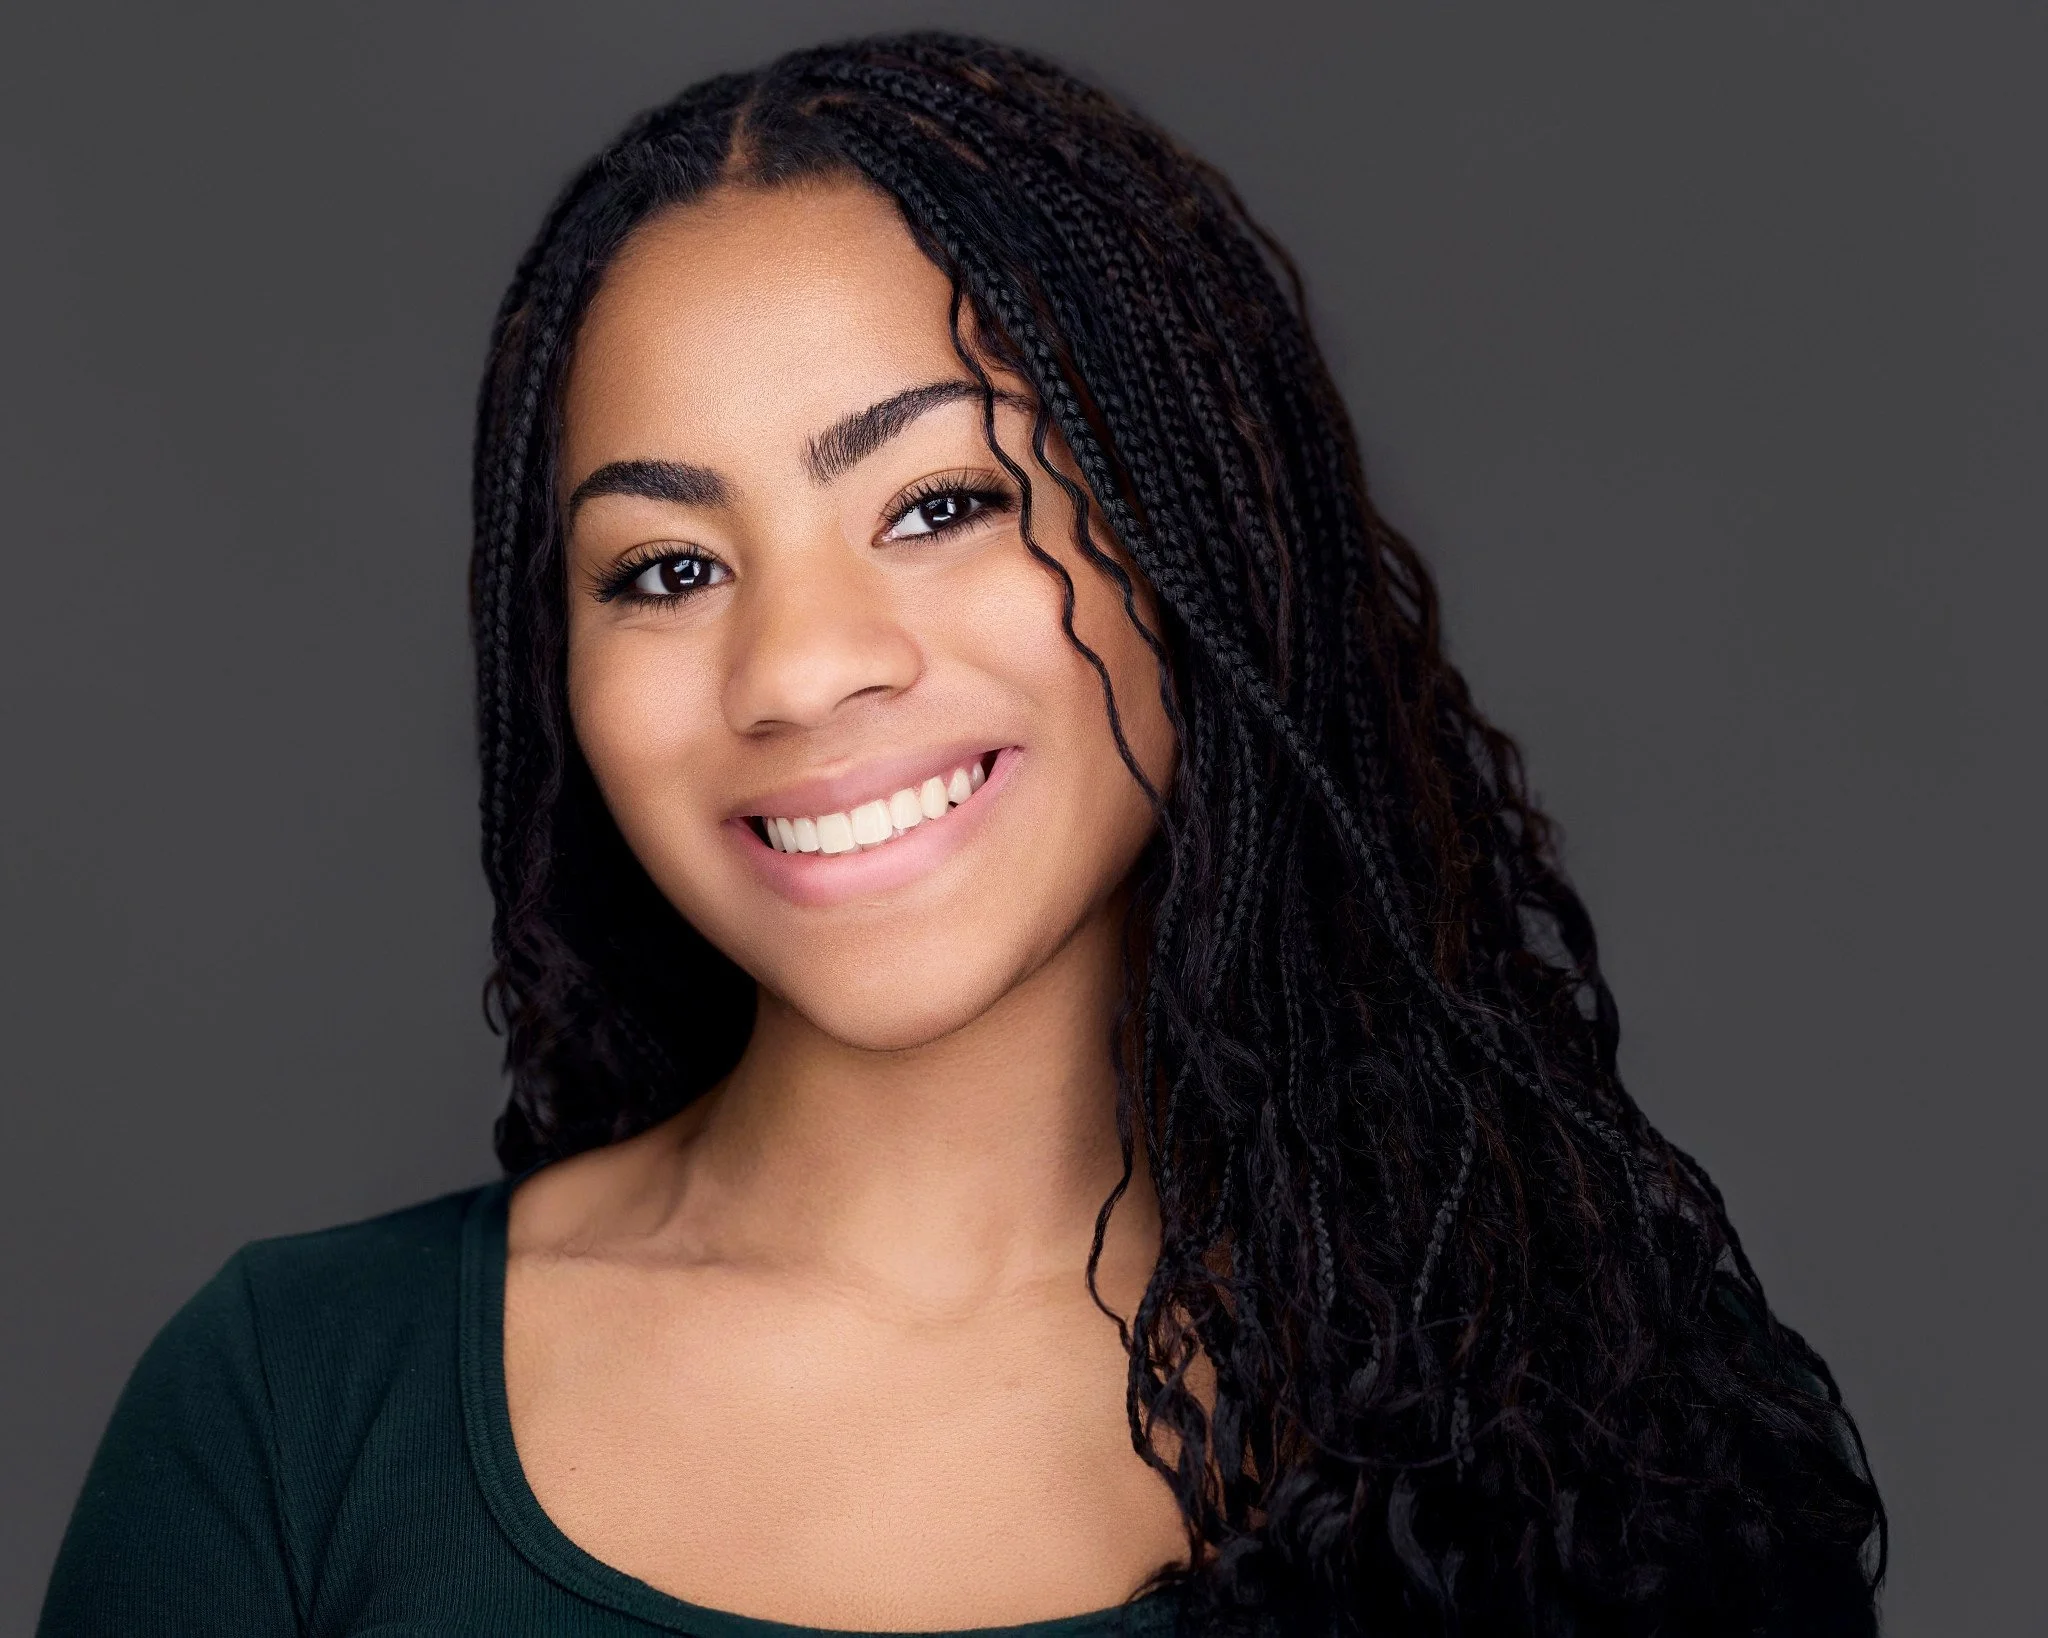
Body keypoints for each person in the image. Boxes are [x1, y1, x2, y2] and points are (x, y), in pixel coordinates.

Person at [38, 32, 1883, 1638]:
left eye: (939, 500)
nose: (802, 664)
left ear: (1193, 540)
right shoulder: (290, 1415)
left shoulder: (1578, 1433)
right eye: (667, 568)